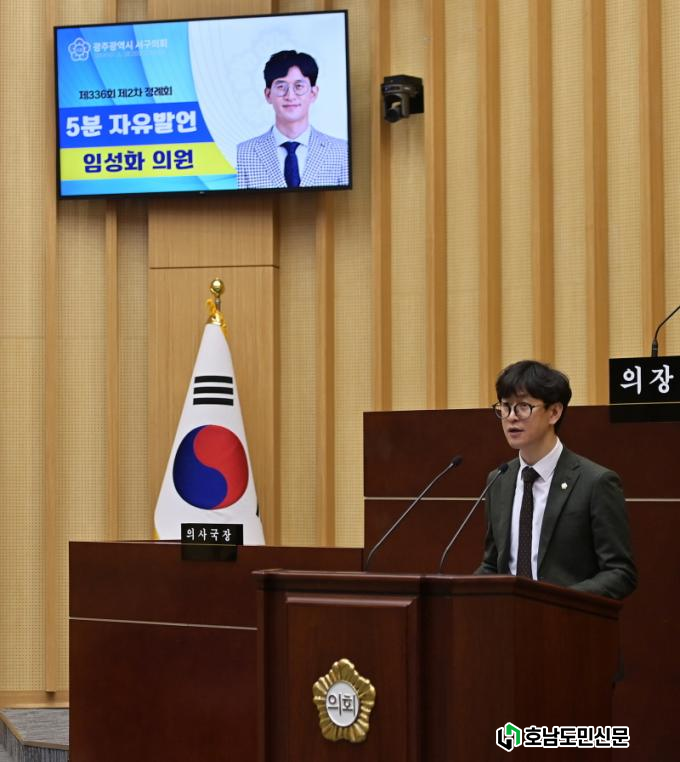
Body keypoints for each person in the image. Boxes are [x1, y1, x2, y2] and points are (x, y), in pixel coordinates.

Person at [476, 360, 637, 599]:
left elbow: (620, 572)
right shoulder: (499, 479)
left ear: (554, 412)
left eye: (523, 407)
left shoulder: (595, 482)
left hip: (566, 617)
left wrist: (559, 602)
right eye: (505, 407)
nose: (511, 417)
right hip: (509, 618)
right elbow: (492, 564)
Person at [237, 50, 349, 190]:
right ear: (268, 94)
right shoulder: (243, 153)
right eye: (281, 87)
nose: (290, 96)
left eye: (299, 86)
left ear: (313, 93)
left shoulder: (341, 151)